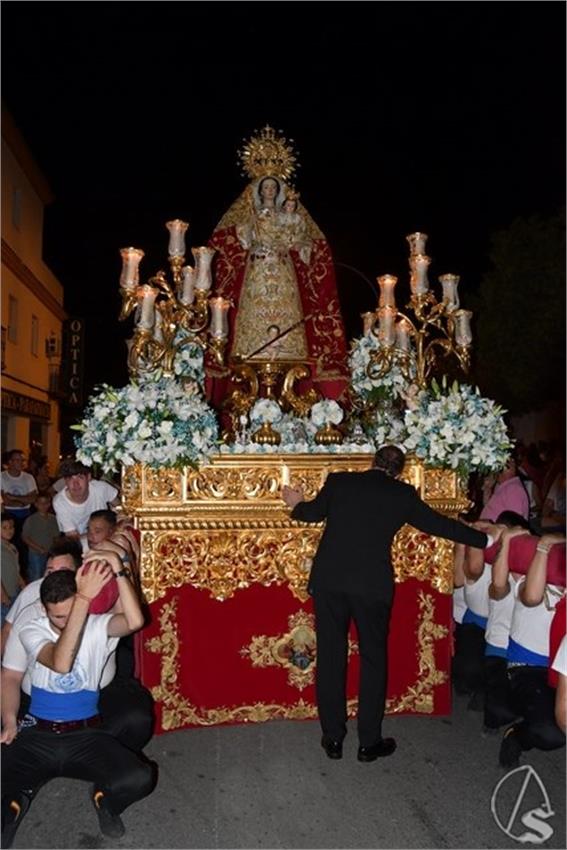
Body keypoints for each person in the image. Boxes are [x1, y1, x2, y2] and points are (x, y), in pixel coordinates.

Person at [281, 444, 497, 762]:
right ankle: (369, 742)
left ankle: (333, 738)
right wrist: (486, 540)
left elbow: (311, 514)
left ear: (373, 462)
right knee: (373, 659)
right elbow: (440, 525)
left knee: (330, 656)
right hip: (371, 587)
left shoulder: (340, 482)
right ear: (399, 470)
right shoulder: (402, 495)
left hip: (331, 581)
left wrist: (295, 502)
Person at [0, 561, 156, 846]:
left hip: (87, 736)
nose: (66, 620)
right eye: (58, 616)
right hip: (37, 735)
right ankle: (14, 801)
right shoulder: (32, 629)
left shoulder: (97, 625)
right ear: (44, 610)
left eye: (72, 612)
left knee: (140, 777)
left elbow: (135, 621)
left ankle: (104, 800)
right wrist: (10, 721)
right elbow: (61, 662)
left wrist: (119, 572)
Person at [206, 127, 349, 407]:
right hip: (257, 276)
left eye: (273, 187)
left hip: (283, 275)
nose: (270, 190)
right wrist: (250, 235)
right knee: (250, 341)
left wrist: (301, 246)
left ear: (279, 190)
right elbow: (237, 241)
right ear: (258, 191)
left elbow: (306, 244)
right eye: (266, 187)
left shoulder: (291, 217)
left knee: (289, 336)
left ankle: (293, 392)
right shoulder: (251, 216)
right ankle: (244, 393)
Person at [1, 540, 154, 754]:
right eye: (49, 570)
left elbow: (132, 619)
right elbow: (11, 674)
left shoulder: (99, 602)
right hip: (39, 703)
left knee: (136, 718)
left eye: (63, 571)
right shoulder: (31, 606)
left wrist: (121, 566)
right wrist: (8, 721)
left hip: (95, 697)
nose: (54, 577)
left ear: (82, 574)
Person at [52, 460, 120, 540]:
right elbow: (73, 538)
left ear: (88, 477)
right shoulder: (60, 502)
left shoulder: (101, 488)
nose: (75, 484)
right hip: (81, 543)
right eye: (70, 479)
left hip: (109, 536)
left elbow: (120, 508)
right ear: (65, 481)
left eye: (80, 477)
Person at [1, 451, 38, 562]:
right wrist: (23, 500)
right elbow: (5, 501)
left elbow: (33, 499)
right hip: (8, 514)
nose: (21, 463)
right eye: (17, 460)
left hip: (25, 515)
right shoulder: (2, 477)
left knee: (24, 546)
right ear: (10, 462)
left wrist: (13, 497)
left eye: (23, 460)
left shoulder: (29, 477)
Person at [21, 493, 60, 582]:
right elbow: (25, 537)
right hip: (36, 553)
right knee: (36, 575)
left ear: (49, 504)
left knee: (47, 574)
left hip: (49, 552)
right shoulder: (31, 519)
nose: (43, 505)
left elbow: (56, 536)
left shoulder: (53, 518)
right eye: (41, 503)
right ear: (36, 504)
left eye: (46, 503)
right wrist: (38, 548)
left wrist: (55, 550)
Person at [480, 455, 530, 523]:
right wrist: (487, 490)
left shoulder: (514, 489)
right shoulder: (503, 486)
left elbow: (512, 524)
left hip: (495, 532)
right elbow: (490, 509)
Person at [1, 514, 24, 627]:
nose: (9, 530)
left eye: (11, 527)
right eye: (4, 528)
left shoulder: (12, 547)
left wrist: (23, 585)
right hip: (4, 595)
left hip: (13, 591)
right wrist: (3, 595)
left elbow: (16, 570)